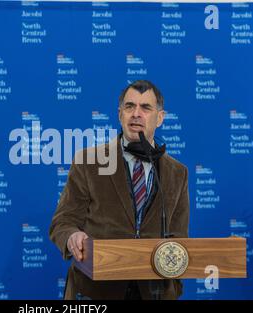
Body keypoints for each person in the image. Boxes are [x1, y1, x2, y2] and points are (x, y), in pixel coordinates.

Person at [49, 80, 189, 300]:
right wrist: (72, 236)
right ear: (120, 114)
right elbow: (62, 222)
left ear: (160, 118)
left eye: (145, 108)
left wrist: (174, 287)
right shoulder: (89, 161)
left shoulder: (177, 172)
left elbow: (179, 238)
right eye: (129, 106)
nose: (136, 114)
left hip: (153, 292)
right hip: (97, 291)